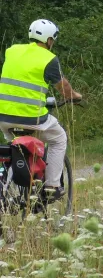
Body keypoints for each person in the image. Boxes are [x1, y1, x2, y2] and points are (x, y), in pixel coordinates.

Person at [0, 19, 82, 201]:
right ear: (49, 40)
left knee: (15, 147)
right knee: (59, 139)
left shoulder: (12, 51)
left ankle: (9, 186)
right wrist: (75, 96)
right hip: (32, 119)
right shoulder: (48, 59)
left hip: (3, 118)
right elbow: (64, 89)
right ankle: (52, 186)